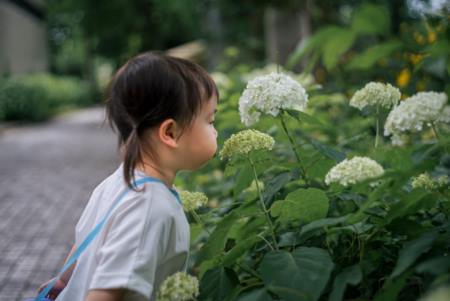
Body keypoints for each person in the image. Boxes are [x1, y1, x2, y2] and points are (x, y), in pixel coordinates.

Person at [36, 51, 219, 301]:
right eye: (209, 120)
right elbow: (106, 294)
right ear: (171, 133)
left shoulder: (117, 181)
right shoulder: (149, 208)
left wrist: (62, 282)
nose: (215, 131)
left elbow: (84, 245)